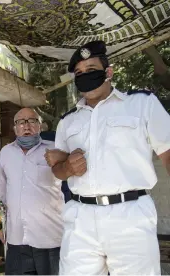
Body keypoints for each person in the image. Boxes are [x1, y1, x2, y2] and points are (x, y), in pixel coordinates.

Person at [44, 40, 170, 275]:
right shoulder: (68, 121)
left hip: (130, 215)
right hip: (81, 218)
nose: (84, 76)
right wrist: (68, 168)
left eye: (91, 70)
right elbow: (57, 171)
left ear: (108, 72)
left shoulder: (141, 104)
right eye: (79, 73)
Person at [0, 107, 64, 275]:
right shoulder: (5, 153)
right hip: (16, 238)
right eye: (21, 122)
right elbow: (3, 194)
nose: (26, 126)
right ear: (15, 128)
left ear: (40, 126)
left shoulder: (54, 150)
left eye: (32, 121)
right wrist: (1, 224)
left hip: (49, 238)